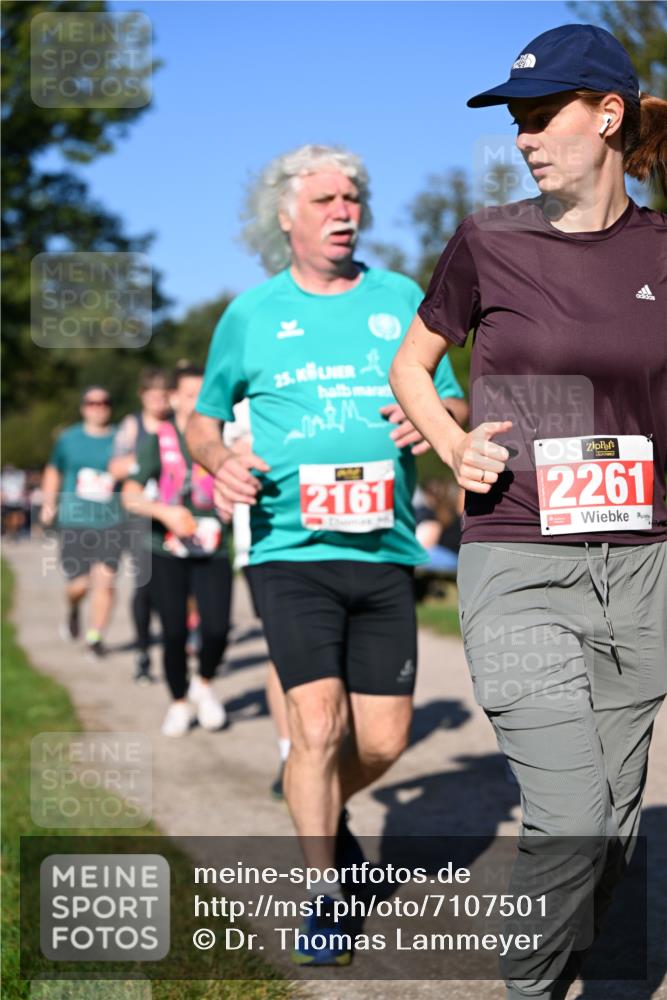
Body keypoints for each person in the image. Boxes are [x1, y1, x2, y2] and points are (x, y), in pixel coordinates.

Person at [389, 24, 666, 1000]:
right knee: (571, 808)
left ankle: (582, 970)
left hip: (641, 566)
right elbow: (411, 366)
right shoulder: (486, 241)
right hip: (516, 558)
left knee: (618, 821)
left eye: (541, 116)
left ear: (606, 116)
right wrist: (451, 434)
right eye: (516, 121)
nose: (523, 139)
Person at [186, 144, 467, 964]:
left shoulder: (400, 297)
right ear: (286, 215)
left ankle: (312, 800)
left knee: (380, 741)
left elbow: (447, 392)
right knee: (314, 722)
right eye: (324, 200)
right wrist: (218, 461)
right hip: (288, 546)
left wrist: (433, 420)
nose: (343, 212)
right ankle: (324, 892)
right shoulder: (250, 314)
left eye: (352, 198)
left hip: (382, 548)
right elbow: (203, 419)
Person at [122, 363, 232, 738]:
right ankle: (180, 703)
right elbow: (130, 494)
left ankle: (203, 683)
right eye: (189, 395)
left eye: (205, 395)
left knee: (217, 629)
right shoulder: (160, 439)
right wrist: (164, 512)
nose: (198, 403)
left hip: (213, 548)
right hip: (166, 550)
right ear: (173, 399)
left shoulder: (226, 438)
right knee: (173, 634)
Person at [223, 398, 291, 799]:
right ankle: (290, 753)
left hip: (350, 542)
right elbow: (229, 452)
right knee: (284, 648)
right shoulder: (250, 395)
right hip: (267, 545)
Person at [41, 387, 124, 658]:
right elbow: (54, 470)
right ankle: (74, 609)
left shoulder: (122, 438)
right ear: (83, 407)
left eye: (104, 402)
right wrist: (48, 503)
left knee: (106, 581)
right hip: (75, 519)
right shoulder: (69, 438)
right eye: (92, 402)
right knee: (79, 584)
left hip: (111, 519)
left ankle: (95, 636)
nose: (98, 407)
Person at [109, 368, 171, 682]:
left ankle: (186, 639)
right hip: (140, 514)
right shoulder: (133, 426)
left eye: (165, 396)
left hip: (174, 513)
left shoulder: (178, 424)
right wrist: (145, 463)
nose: (160, 402)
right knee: (144, 585)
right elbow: (115, 466)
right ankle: (143, 651)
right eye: (154, 396)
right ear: (142, 396)